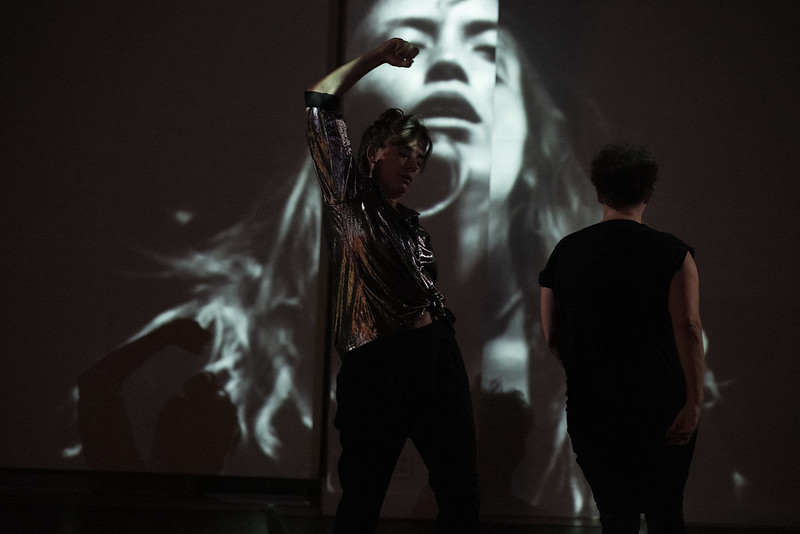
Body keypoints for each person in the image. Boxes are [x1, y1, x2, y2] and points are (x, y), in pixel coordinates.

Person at [305, 38, 480, 533]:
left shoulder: (412, 226)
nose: (411, 166)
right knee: (363, 493)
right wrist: (375, 58)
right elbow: (319, 97)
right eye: (403, 152)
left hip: (435, 356)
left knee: (460, 487)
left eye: (419, 160)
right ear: (372, 152)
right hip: (378, 364)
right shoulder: (350, 199)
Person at [538, 144, 705, 532]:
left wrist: (587, 368)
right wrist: (694, 401)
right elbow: (690, 329)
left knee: (616, 516)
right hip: (660, 405)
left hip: (593, 404)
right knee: (666, 513)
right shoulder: (673, 253)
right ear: (647, 194)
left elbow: (551, 335)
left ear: (598, 192)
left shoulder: (566, 252)